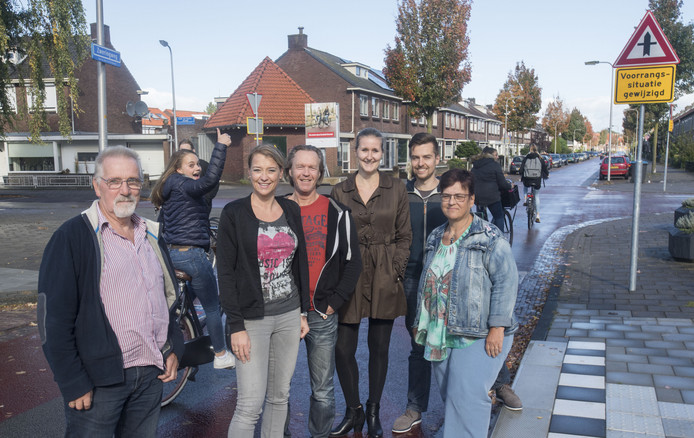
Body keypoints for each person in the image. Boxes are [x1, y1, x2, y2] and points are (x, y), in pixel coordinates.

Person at [38, 146, 184, 437]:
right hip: (98, 382)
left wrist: (173, 348)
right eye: (114, 181)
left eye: (132, 181)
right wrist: (73, 381)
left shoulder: (151, 234)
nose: (125, 190)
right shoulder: (72, 238)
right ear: (97, 186)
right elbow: (52, 321)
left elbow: (167, 301)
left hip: (150, 374)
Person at [394, 137, 521, 435]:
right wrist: (420, 322)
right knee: (452, 395)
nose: (452, 202)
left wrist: (498, 327)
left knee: (467, 394)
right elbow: (430, 282)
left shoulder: (489, 238)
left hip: (475, 331)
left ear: (472, 200)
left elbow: (506, 283)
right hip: (440, 331)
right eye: (447, 196)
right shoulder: (436, 236)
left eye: (459, 196)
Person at [217, 144, 311, 437]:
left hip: (288, 315)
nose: (264, 177)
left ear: (281, 173)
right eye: (257, 170)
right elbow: (226, 273)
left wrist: (303, 312)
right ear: (249, 172)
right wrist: (235, 326)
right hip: (251, 321)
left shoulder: (291, 209)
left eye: (271, 170)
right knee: (249, 405)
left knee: (279, 397)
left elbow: (300, 263)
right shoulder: (234, 213)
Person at [330, 128, 412, 438]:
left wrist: (396, 269)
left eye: (375, 151)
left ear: (382, 153)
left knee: (379, 347)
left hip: (385, 273)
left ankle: (374, 409)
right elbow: (335, 239)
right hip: (351, 272)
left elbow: (405, 235)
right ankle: (355, 411)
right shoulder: (340, 191)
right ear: (356, 152)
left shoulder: (396, 188)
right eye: (364, 150)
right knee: (342, 348)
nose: (369, 156)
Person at [283, 145, 362, 438]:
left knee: (322, 389)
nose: (305, 173)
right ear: (290, 171)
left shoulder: (337, 212)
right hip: (284, 309)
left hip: (321, 311)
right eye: (300, 166)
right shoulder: (277, 209)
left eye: (312, 167)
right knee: (280, 386)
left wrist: (333, 303)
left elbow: (353, 263)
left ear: (320, 172)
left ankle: (319, 434)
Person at [151, 128, 235, 370]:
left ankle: (187, 322)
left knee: (189, 293)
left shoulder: (169, 187)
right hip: (192, 255)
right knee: (212, 305)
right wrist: (221, 146)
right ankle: (220, 354)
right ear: (178, 169)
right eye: (191, 165)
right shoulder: (185, 185)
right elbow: (211, 181)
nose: (197, 168)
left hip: (172, 253)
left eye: (198, 164)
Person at [471, 146, 513, 231]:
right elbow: (502, 183)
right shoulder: (494, 165)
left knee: (480, 219)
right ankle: (499, 239)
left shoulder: (475, 165)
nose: (497, 157)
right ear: (489, 155)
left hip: (477, 197)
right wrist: (510, 186)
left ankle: (481, 234)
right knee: (499, 216)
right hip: (492, 197)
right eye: (496, 155)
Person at [178, 139, 220, 213]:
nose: (184, 153)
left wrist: (206, 198)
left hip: (202, 208)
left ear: (193, 151)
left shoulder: (203, 165)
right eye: (182, 151)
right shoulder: (176, 168)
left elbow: (214, 181)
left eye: (187, 150)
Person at [519, 145, 549, 223]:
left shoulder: (526, 158)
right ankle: (538, 215)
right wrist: (547, 174)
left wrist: (521, 173)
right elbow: (545, 169)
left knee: (525, 186)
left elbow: (521, 169)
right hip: (536, 180)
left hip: (527, 180)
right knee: (536, 196)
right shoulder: (540, 158)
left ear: (530, 150)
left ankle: (525, 199)